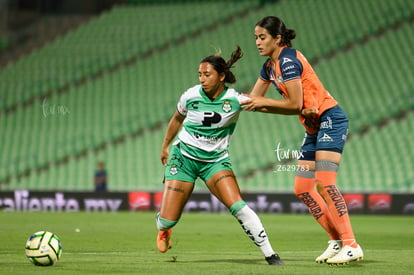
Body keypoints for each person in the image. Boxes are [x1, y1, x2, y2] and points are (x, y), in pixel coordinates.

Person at [241, 16, 363, 265]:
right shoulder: (268, 67)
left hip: (330, 118)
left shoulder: (287, 60)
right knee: (302, 188)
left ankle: (351, 244)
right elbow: (255, 101)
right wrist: (237, 101)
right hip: (312, 127)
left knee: (324, 182)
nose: (257, 42)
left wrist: (261, 103)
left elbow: (294, 104)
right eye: (255, 37)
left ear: (277, 38)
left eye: (262, 37)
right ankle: (336, 240)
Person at [156, 46, 283, 265]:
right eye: (200, 74)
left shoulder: (235, 100)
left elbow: (266, 105)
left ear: (221, 76)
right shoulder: (190, 95)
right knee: (167, 221)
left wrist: (298, 108)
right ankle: (164, 229)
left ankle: (271, 255)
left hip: (215, 162)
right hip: (184, 157)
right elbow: (177, 119)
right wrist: (166, 146)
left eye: (207, 74)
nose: (202, 79)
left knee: (239, 206)